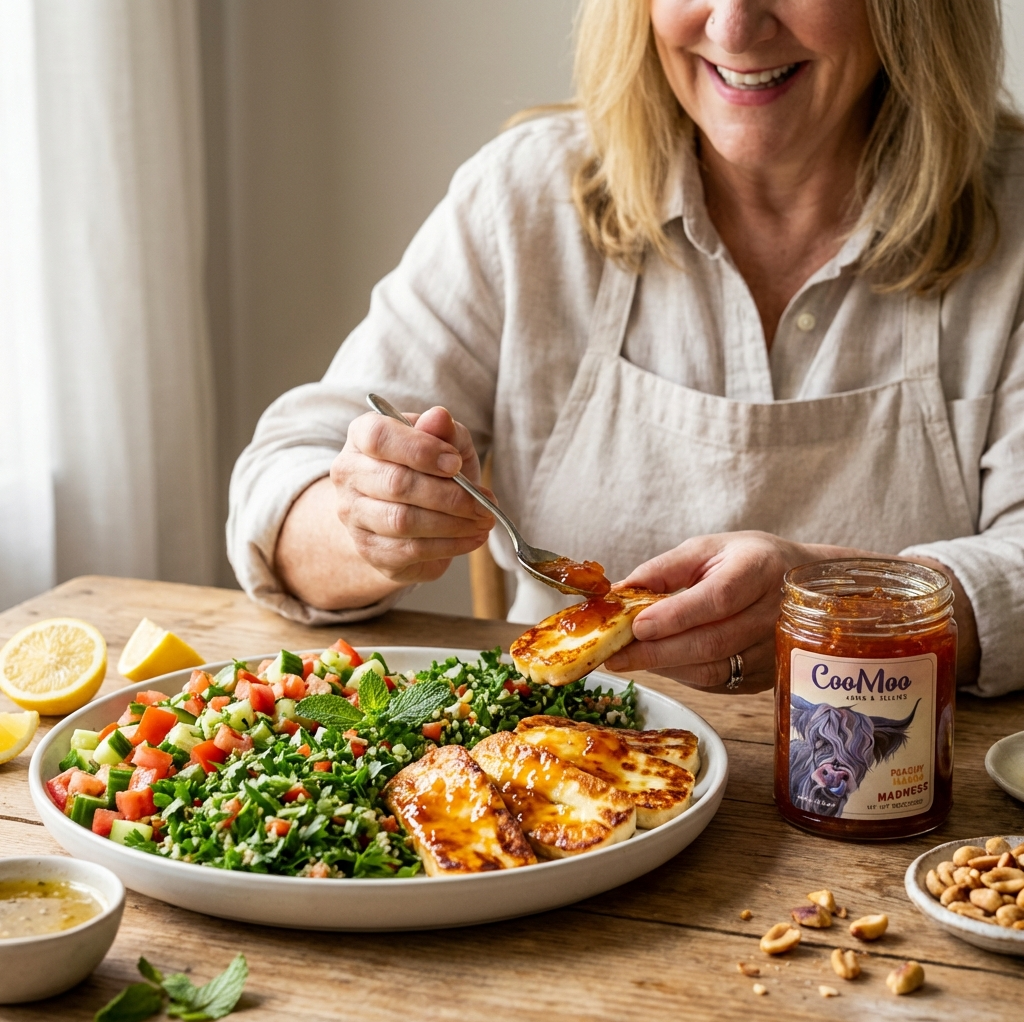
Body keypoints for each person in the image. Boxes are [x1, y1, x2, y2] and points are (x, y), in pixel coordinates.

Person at [228, 0, 1024, 699]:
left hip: (911, 821)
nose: (735, 23)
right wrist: (368, 519)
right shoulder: (525, 198)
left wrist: (844, 608)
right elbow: (279, 488)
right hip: (558, 805)